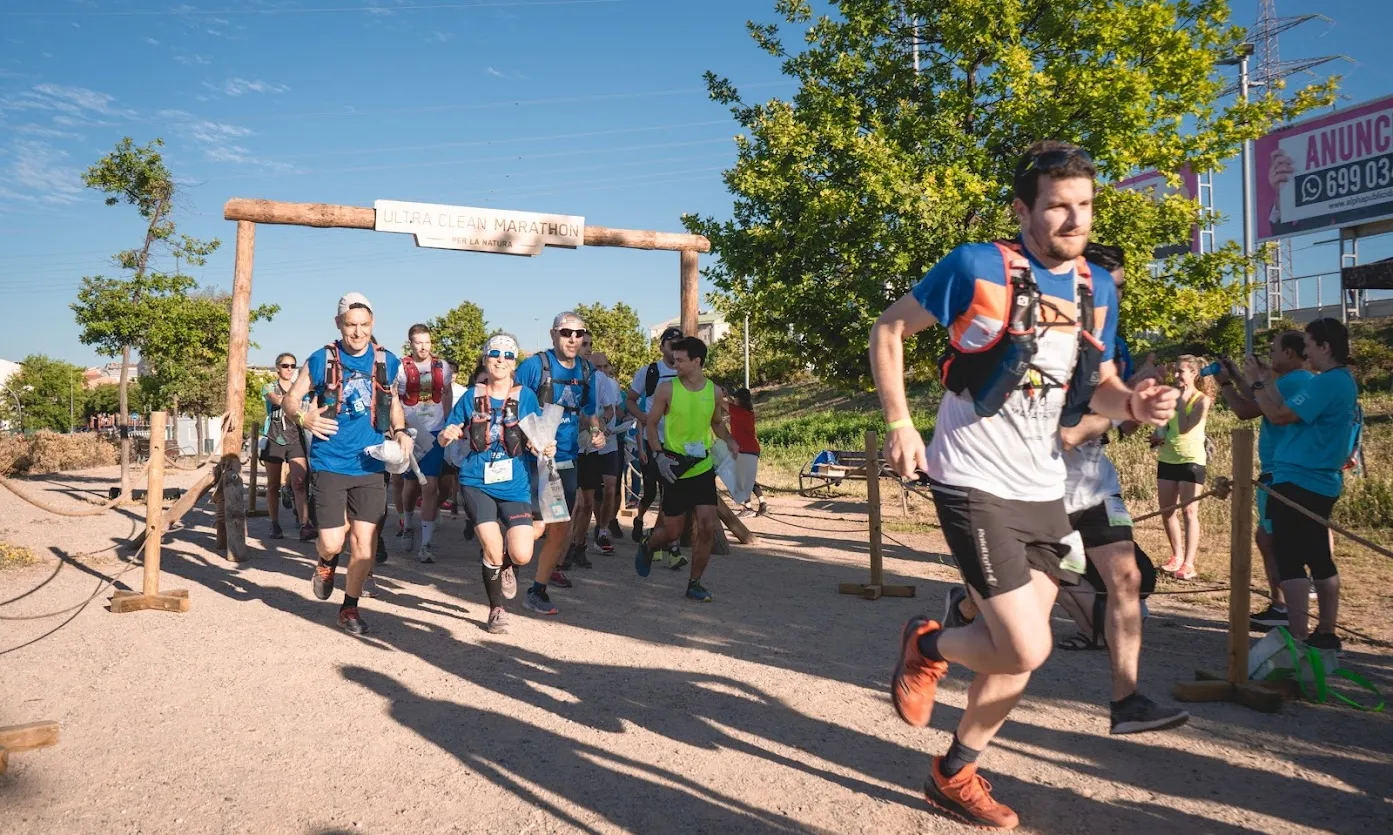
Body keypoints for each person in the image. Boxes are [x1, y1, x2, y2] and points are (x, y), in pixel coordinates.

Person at [871, 141, 1177, 829]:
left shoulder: (1097, 290)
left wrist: (1135, 404)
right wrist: (900, 421)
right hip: (971, 478)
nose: (1075, 221)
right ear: (1022, 208)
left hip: (1043, 487)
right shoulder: (978, 266)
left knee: (1015, 655)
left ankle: (952, 772)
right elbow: (888, 327)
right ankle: (926, 645)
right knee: (1027, 643)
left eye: (1085, 206)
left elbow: (1098, 388)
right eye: (1057, 206)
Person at [282, 293, 410, 635]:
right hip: (330, 462)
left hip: (370, 465)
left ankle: (349, 607)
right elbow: (290, 400)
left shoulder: (387, 361)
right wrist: (304, 418)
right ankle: (325, 562)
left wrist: (400, 431)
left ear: (373, 324)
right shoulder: (321, 358)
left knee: (365, 547)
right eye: (351, 325)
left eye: (364, 325)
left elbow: (393, 400)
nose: (357, 332)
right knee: (333, 542)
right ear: (339, 324)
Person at [1244, 318, 1360, 651]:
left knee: (1290, 557)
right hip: (1321, 479)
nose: (1306, 353)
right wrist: (1265, 381)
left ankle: (1296, 638)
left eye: (1309, 345)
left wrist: (1256, 383)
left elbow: (1278, 415)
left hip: (1298, 478)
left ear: (1325, 347)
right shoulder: (1341, 381)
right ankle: (1325, 633)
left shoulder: (1328, 383)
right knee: (1319, 556)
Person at [439, 333, 548, 634]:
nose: (501, 359)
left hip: (515, 483)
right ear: (486, 359)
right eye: (495, 353)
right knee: (491, 546)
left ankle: (508, 564)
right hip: (476, 480)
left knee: (522, 553)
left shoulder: (524, 396)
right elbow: (446, 432)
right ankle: (496, 608)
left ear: (514, 363)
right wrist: (446, 434)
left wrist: (543, 446)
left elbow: (537, 436)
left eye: (508, 355)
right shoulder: (471, 398)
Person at [1215, 332, 1313, 629]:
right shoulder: (1294, 381)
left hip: (1280, 472)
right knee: (1270, 538)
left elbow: (1246, 410)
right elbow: (1257, 398)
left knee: (1274, 540)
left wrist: (1223, 384)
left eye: (1275, 351)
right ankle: (1282, 605)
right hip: (1279, 470)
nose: (1270, 356)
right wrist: (1237, 376)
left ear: (1291, 354)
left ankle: (1284, 608)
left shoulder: (1296, 380)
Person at [633, 337, 739, 602]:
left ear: (697, 362)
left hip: (702, 465)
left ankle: (695, 583)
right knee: (673, 532)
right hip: (674, 466)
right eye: (674, 358)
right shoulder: (667, 389)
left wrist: (729, 439)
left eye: (680, 360)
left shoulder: (714, 391)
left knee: (705, 527)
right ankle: (649, 545)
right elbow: (651, 423)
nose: (675, 363)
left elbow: (716, 423)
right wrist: (659, 456)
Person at [515, 311, 604, 616]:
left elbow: (589, 410)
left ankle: (536, 589)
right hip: (529, 459)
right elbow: (510, 402)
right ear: (554, 334)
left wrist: (595, 431)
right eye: (567, 333)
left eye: (579, 334)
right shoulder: (534, 366)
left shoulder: (587, 371)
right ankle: (507, 560)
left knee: (558, 527)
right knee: (534, 527)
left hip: (563, 459)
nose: (573, 339)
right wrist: (524, 436)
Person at [626, 325, 686, 567]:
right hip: (654, 441)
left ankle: (663, 542)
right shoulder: (649, 372)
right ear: (662, 347)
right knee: (654, 491)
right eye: (671, 343)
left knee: (672, 493)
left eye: (679, 343)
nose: (674, 347)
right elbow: (630, 400)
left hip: (680, 442)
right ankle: (662, 540)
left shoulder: (688, 371)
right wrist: (642, 417)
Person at [394, 324, 455, 564]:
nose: (424, 347)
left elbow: (447, 392)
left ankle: (426, 543)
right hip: (410, 432)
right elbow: (395, 399)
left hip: (436, 431)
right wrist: (397, 430)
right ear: (410, 343)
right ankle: (408, 523)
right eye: (419, 342)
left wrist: (449, 419)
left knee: (430, 486)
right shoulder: (401, 368)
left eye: (427, 342)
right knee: (410, 485)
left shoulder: (443, 366)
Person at [1151, 354, 1213, 580]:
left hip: (1191, 459)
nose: (1176, 375)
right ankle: (1175, 556)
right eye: (1175, 370)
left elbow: (1186, 428)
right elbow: (1165, 426)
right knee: (1167, 511)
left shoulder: (1201, 400)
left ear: (1194, 374)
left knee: (1189, 511)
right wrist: (1157, 436)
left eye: (1181, 371)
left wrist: (1180, 400)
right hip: (1168, 458)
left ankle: (1189, 563)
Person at [261, 352, 315, 541]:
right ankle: (274, 524)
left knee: (301, 482)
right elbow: (276, 399)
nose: (289, 369)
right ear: (277, 367)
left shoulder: (298, 389)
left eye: (292, 366)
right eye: (285, 365)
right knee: (273, 484)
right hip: (275, 438)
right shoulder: (269, 386)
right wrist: (294, 402)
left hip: (295, 437)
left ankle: (305, 524)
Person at [724, 387, 767, 517]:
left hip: (745, 450)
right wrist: (727, 395)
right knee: (748, 478)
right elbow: (732, 405)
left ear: (740, 400)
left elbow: (723, 404)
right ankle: (761, 502)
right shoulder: (746, 412)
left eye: (736, 397)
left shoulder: (738, 412)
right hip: (751, 448)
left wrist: (716, 393)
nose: (734, 399)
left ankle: (748, 507)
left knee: (744, 479)